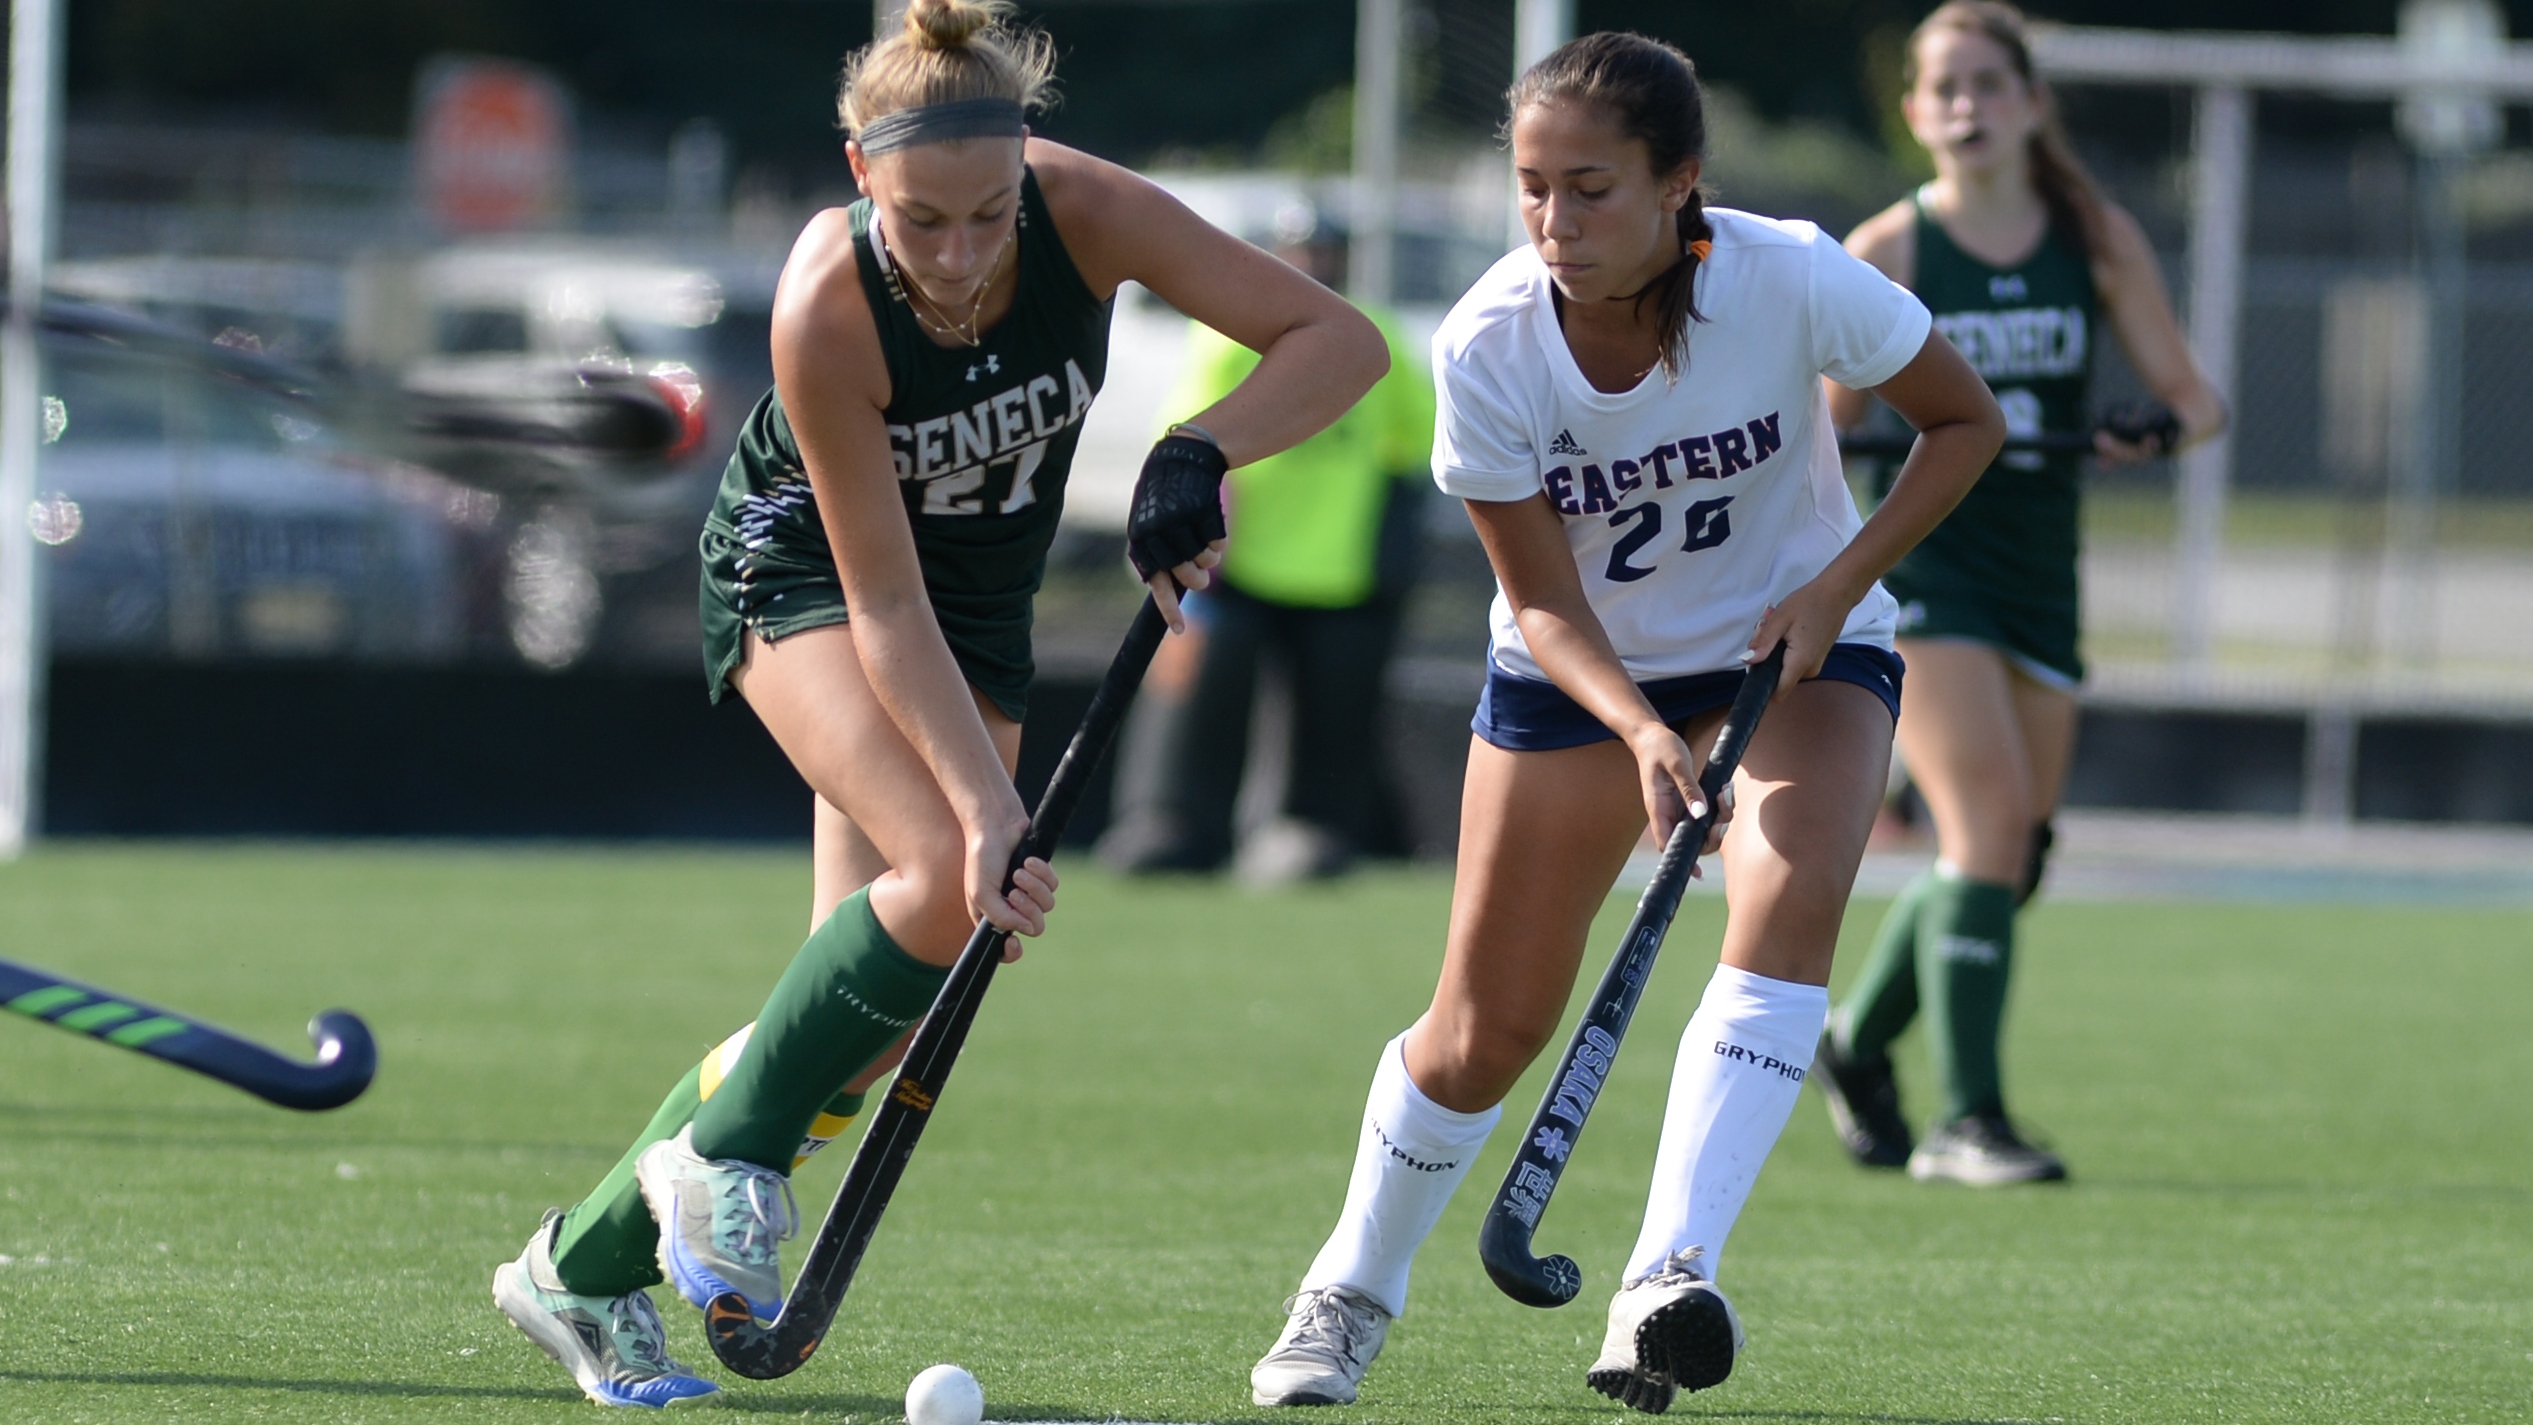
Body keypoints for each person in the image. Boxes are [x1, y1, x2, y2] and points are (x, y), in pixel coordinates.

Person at [488, 0, 1387, 1407]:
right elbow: (880, 605)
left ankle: (577, 1272)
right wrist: (987, 814)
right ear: (861, 177)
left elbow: (1339, 342)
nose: (962, 259)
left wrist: (1202, 449)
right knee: (941, 876)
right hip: (805, 581)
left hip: (977, 609)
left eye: (988, 217)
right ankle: (718, 1164)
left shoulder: (1087, 211)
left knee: (875, 1016)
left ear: (1026, 166)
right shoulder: (824, 303)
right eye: (924, 222)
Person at [1248, 32, 2002, 1414]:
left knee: (1788, 900)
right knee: (1486, 1028)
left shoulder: (1787, 275)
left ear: (1680, 185)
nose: (1555, 223)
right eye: (1532, 188)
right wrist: (1645, 734)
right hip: (1581, 676)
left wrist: (1836, 588)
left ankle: (1666, 1274)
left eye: (1589, 189)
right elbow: (1537, 599)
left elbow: (1963, 422)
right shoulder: (1487, 343)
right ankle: (1351, 1286)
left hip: (1796, 651)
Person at [1812, 0, 2225, 1188]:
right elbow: (1814, 428)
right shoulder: (1886, 248)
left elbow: (2199, 400)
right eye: (1942, 87)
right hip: (1928, 566)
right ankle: (1968, 1122)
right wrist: (1865, 461)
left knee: (2011, 852)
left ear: (2031, 103)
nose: (1966, 106)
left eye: (1989, 84)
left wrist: (2153, 428)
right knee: (1984, 828)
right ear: (1910, 115)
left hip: (2042, 577)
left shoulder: (2090, 236)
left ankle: (1854, 1039)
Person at [1100, 228, 1434, 880]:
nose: (1312, 266)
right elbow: (1183, 439)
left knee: (1332, 704)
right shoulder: (1228, 342)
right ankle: (1171, 819)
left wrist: (1389, 539)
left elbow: (1415, 443)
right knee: (1199, 687)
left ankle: (1305, 828)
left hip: (1336, 573)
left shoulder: (1376, 339)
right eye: (1299, 254)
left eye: (1325, 254)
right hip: (1234, 569)